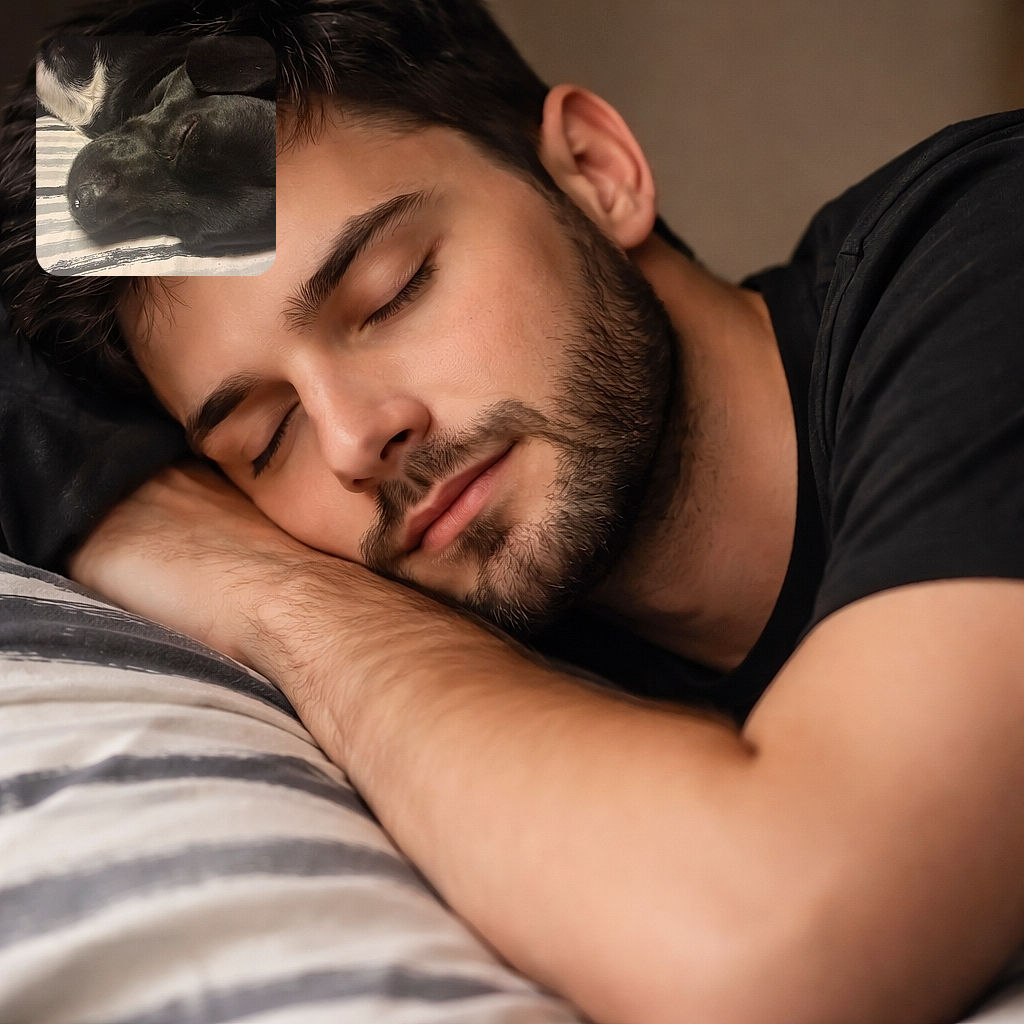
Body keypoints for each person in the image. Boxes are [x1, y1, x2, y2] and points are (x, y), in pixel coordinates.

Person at [2, 1, 1023, 1021]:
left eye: (391, 293)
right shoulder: (494, 676)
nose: (355, 439)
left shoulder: (989, 243)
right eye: (267, 438)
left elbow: (776, 946)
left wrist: (248, 582)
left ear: (594, 169)